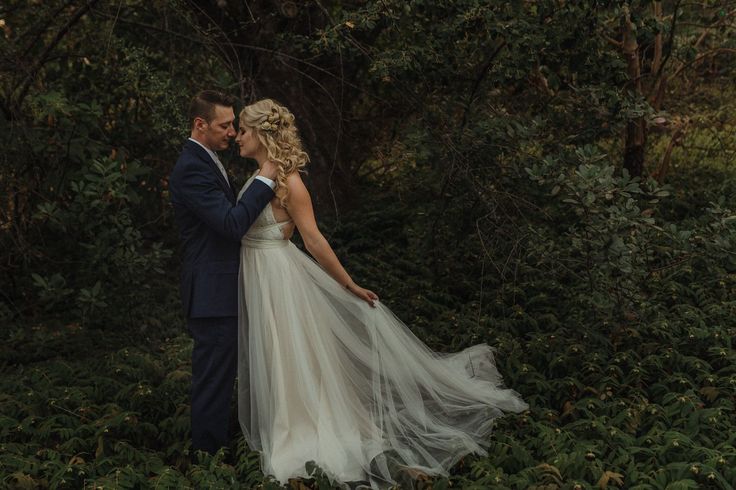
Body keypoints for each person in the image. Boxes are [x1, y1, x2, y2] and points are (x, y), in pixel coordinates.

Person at [234, 98, 529, 489]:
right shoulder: (259, 176)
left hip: (279, 282)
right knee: (275, 357)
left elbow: (315, 241)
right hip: (259, 277)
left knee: (288, 355)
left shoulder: (290, 184)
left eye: (243, 130)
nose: (237, 137)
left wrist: (349, 284)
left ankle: (306, 430)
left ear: (261, 134)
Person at [168, 90, 279, 455]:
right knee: (213, 381)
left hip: (225, 290)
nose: (232, 132)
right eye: (225, 125)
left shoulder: (208, 159)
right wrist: (266, 178)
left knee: (221, 377)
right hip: (212, 295)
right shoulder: (191, 168)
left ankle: (220, 448)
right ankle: (207, 460)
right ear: (200, 124)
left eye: (233, 125)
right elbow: (231, 224)